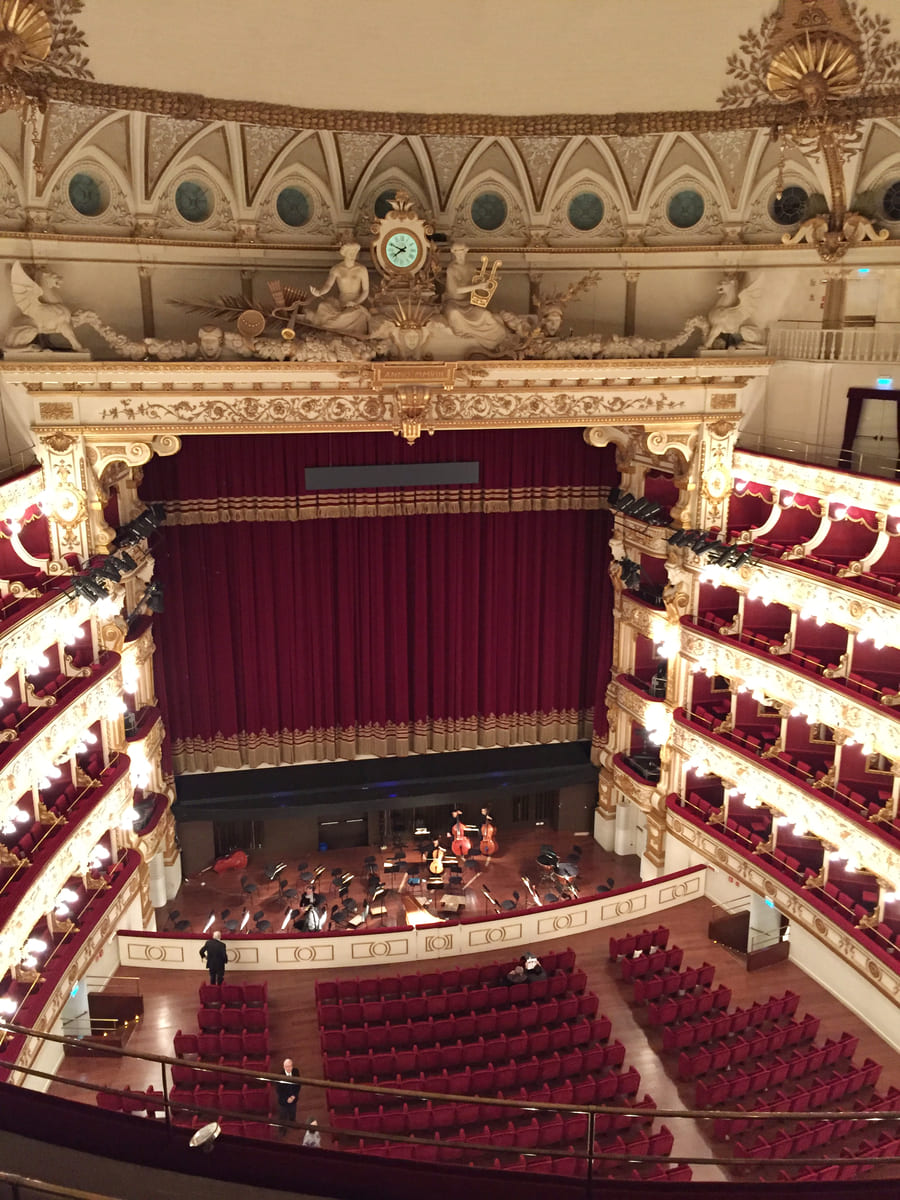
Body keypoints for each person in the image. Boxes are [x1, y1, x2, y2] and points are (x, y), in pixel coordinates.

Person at [441, 243, 508, 352]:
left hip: (469, 304)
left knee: (487, 315)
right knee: (454, 314)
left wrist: (486, 284)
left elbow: (476, 285)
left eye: (462, 251)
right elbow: (456, 290)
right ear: (454, 253)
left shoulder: (471, 267)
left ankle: (496, 341)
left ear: (466, 252)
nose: (460, 255)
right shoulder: (451, 269)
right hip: (453, 303)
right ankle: (470, 337)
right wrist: (478, 286)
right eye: (457, 252)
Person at [304, 242, 370, 337]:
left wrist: (355, 302)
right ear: (345, 253)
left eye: (355, 252)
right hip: (340, 303)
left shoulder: (362, 269)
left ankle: (330, 327)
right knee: (323, 306)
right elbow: (328, 285)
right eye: (351, 252)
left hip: (355, 305)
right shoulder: (336, 269)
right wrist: (319, 292)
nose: (353, 255)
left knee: (357, 315)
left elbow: (365, 291)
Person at [275, 1058, 301, 1130]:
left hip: (293, 1099)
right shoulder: (280, 1076)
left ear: (292, 1066)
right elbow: (279, 1091)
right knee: (283, 1116)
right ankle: (282, 1129)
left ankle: (292, 1123)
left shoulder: (296, 1072)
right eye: (287, 1066)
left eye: (290, 1066)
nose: (288, 1068)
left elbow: (298, 1085)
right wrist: (287, 1099)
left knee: (293, 1113)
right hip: (283, 1101)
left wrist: (293, 1097)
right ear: (284, 1067)